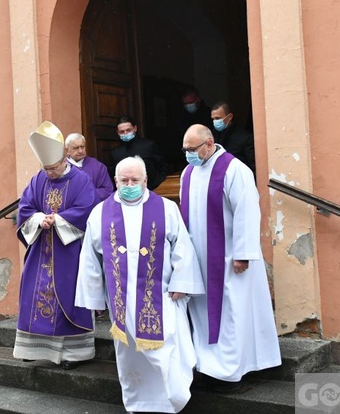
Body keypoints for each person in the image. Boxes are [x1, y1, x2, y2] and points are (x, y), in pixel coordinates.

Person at [76, 157, 204, 413]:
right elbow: (90, 258)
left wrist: (182, 281)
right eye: (124, 180)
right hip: (120, 302)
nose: (130, 185)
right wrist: (94, 299)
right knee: (129, 355)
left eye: (135, 180)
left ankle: (172, 397)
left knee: (167, 348)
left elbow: (182, 248)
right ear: (115, 181)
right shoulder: (100, 212)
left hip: (163, 296)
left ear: (146, 180)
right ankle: (138, 402)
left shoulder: (166, 208)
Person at [179, 124, 281, 391]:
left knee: (233, 313)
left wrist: (243, 254)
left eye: (192, 149)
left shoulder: (234, 169)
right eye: (185, 150)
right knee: (202, 314)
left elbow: (247, 211)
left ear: (209, 144)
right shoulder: (188, 173)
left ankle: (231, 373)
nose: (188, 155)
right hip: (200, 260)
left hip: (229, 259)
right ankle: (207, 366)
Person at [13, 121, 96, 370]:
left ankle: (73, 354)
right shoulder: (39, 179)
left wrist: (58, 219)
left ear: (64, 159)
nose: (49, 173)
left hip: (68, 251)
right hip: (41, 250)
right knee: (33, 294)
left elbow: (86, 209)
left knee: (68, 297)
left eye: (53, 168)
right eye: (46, 168)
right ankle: (34, 348)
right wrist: (39, 219)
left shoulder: (81, 180)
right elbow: (25, 207)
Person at [109, 116, 169, 190]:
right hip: (126, 191)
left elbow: (163, 167)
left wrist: (156, 186)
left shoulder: (149, 145)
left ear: (135, 128)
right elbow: (112, 174)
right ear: (117, 132)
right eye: (122, 131)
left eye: (128, 130)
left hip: (151, 189)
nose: (125, 133)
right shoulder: (115, 152)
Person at [65, 132, 113, 202]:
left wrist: (87, 194)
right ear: (67, 150)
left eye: (82, 147)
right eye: (76, 148)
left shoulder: (98, 167)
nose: (80, 151)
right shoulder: (60, 167)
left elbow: (107, 190)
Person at [210, 101, 256, 174]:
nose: (215, 121)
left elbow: (253, 166)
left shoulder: (244, 138)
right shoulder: (211, 138)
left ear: (230, 117)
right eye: (213, 119)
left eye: (218, 118)